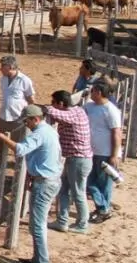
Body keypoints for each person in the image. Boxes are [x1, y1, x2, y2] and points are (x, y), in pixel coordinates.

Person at [0, 105, 62, 263]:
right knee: (37, 224)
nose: (26, 124)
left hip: (44, 182)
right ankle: (38, 259)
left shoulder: (39, 133)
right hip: (48, 179)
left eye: (27, 121)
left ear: (35, 119)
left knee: (37, 225)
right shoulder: (48, 131)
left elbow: (20, 149)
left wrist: (3, 138)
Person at [45, 90, 93, 233]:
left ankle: (82, 224)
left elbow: (53, 112)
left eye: (53, 102)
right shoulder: (78, 110)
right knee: (64, 189)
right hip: (75, 158)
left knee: (78, 192)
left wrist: (46, 108)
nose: (52, 104)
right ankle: (62, 221)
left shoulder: (72, 114)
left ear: (60, 103)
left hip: (78, 159)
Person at [84, 81, 123, 224]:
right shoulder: (89, 106)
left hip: (105, 153)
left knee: (99, 183)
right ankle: (103, 208)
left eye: (93, 91)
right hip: (92, 151)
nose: (91, 93)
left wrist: (114, 154)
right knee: (94, 182)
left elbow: (117, 133)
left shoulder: (111, 110)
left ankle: (103, 208)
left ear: (99, 92)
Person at [0, 55, 35, 141]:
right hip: (3, 116)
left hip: (18, 118)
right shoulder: (3, 79)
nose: (0, 69)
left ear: (10, 67)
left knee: (18, 144)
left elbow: (31, 99)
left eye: (3, 66)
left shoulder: (24, 80)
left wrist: (29, 116)